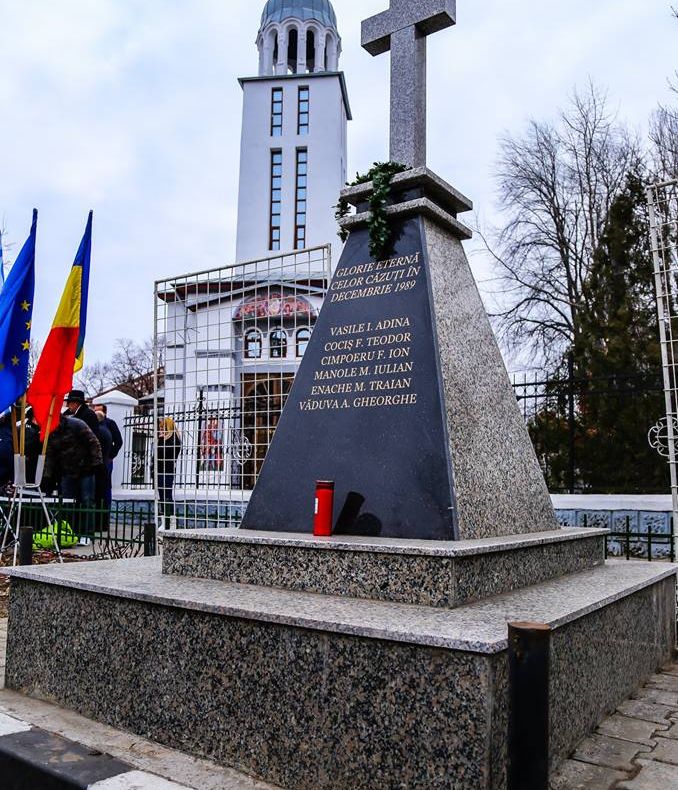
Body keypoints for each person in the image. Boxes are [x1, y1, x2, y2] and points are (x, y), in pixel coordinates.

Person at [44, 414, 103, 540]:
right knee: (67, 502)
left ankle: (87, 533)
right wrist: (47, 476)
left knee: (87, 501)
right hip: (67, 470)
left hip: (86, 468)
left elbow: (94, 443)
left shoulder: (77, 424)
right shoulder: (50, 431)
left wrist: (96, 464)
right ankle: (69, 532)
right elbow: (49, 454)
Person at [156, 417, 181, 529]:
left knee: (167, 495)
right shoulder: (164, 439)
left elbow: (165, 453)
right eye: (161, 428)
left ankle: (169, 521)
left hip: (167, 470)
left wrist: (161, 440)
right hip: (161, 470)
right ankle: (164, 520)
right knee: (162, 495)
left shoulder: (174, 440)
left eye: (163, 428)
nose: (161, 430)